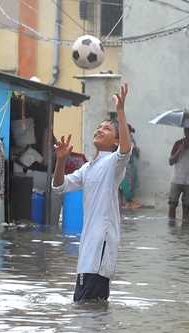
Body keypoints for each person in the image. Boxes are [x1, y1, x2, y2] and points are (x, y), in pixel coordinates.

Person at [52, 84, 132, 302]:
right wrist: (60, 161)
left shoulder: (114, 163)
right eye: (99, 127)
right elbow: (59, 187)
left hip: (100, 247)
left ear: (115, 140)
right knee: (85, 310)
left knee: (89, 310)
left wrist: (121, 112)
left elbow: (125, 149)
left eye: (106, 129)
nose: (99, 130)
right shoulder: (89, 167)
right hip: (87, 251)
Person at [119, 124, 141, 210]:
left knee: (131, 184)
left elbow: (137, 155)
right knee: (124, 184)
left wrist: (136, 150)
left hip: (130, 164)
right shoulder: (121, 139)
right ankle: (125, 202)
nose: (130, 134)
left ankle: (126, 202)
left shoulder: (131, 139)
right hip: (124, 165)